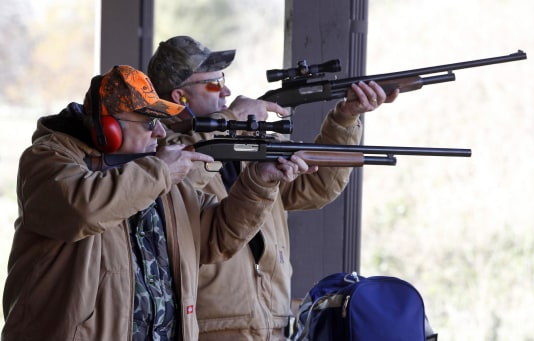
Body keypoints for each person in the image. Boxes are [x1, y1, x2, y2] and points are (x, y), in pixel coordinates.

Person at [1, 65, 309, 341]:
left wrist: (259, 183)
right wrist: (160, 172)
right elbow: (80, 209)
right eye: (150, 123)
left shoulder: (155, 171)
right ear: (109, 128)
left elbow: (215, 236)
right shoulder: (48, 160)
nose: (160, 133)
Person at [148, 36, 399, 340]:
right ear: (180, 96)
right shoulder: (159, 153)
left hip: (272, 325)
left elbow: (316, 187)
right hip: (210, 329)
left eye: (223, 79)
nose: (226, 90)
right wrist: (231, 119)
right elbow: (167, 192)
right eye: (214, 83)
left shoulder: (247, 140)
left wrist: (345, 118)